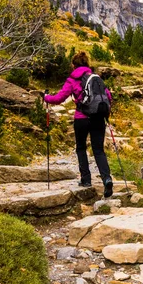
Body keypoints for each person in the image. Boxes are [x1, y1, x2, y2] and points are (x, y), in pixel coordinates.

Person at [44, 51, 113, 198]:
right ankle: (107, 179)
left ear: (74, 65)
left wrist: (46, 97)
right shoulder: (96, 78)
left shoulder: (72, 79)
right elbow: (108, 96)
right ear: (87, 64)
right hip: (98, 119)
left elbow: (59, 98)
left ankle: (86, 180)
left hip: (81, 118)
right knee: (99, 150)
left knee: (81, 148)